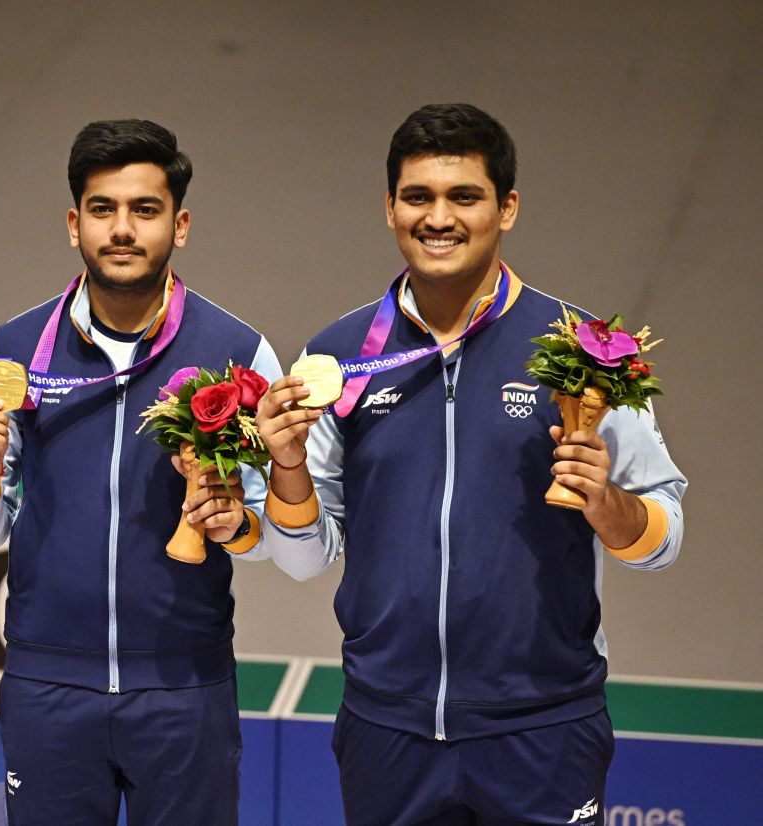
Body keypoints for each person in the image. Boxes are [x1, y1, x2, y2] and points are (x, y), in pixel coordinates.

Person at [255, 103, 686, 826]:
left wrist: (606, 504)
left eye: (465, 197)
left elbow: (664, 536)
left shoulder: (584, 352)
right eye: (417, 197)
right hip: (386, 727)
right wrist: (289, 466)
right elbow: (302, 560)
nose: (438, 218)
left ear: (507, 207)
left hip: (542, 728)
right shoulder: (341, 353)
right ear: (390, 207)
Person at [0, 119, 283, 826]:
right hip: (47, 682)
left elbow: (272, 534)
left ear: (180, 225)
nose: (122, 229)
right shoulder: (13, 349)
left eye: (145, 210)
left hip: (184, 685)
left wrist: (236, 524)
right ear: (75, 223)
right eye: (103, 210)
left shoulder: (239, 350)